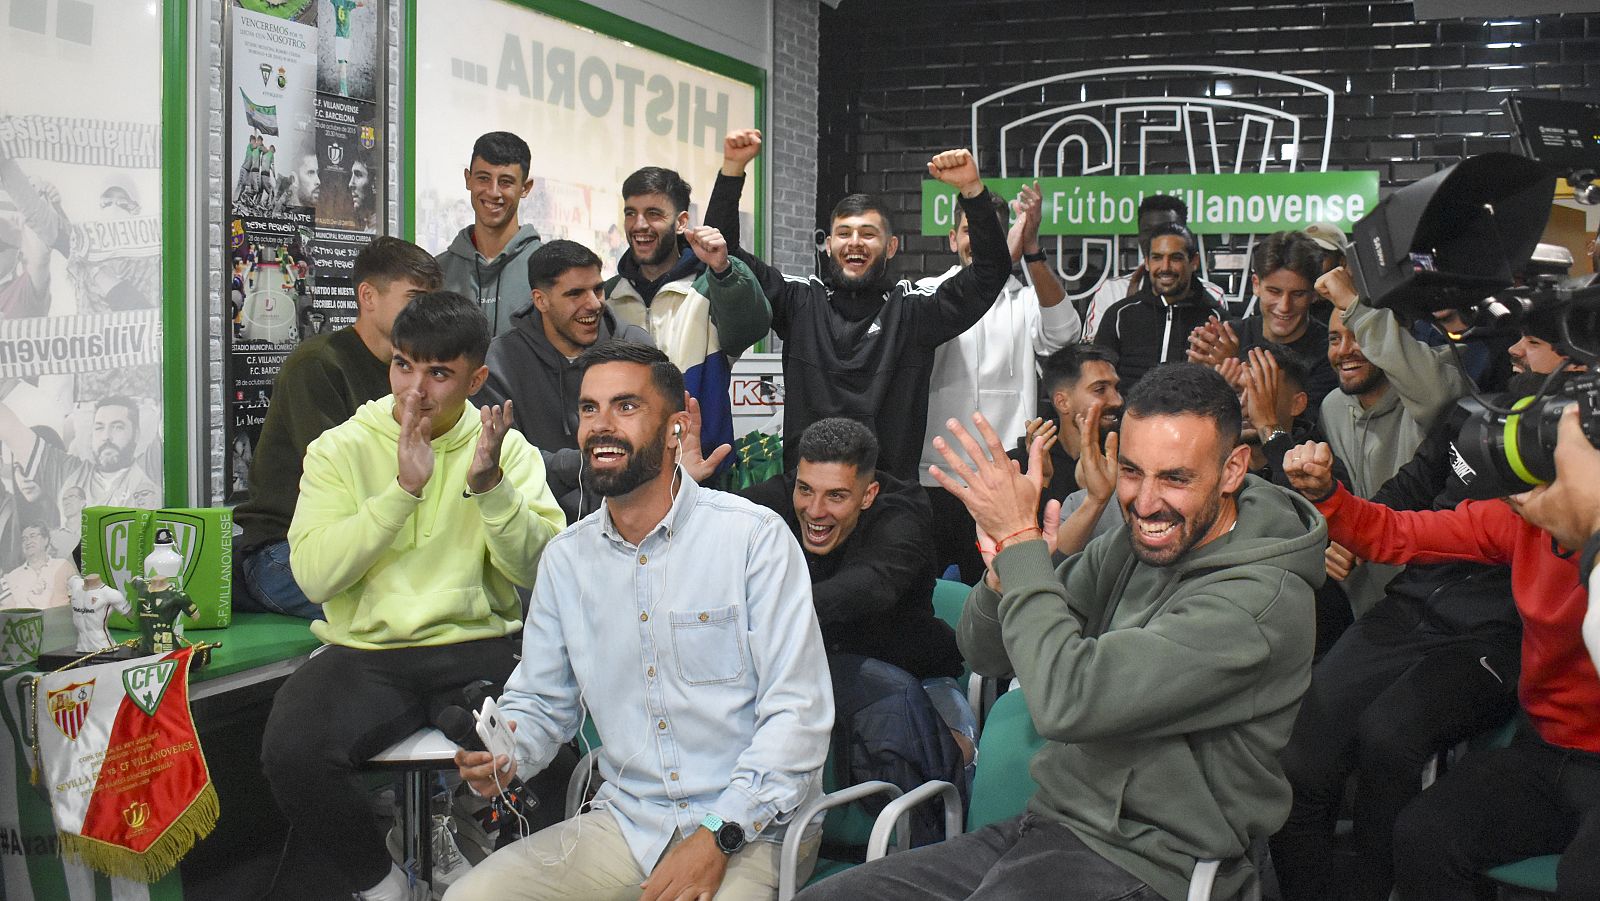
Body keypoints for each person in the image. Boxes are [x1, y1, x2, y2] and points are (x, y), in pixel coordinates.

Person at [799, 363, 1324, 901]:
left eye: (1175, 478)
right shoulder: (1142, 542)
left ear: (1233, 470)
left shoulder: (1259, 601)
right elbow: (986, 653)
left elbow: (1066, 702)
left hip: (1157, 861)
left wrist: (1022, 543)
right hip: (1051, 825)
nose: (1145, 502)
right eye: (1131, 471)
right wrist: (1004, 572)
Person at [444, 341, 832, 901]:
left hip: (754, 829)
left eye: (626, 406)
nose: (601, 425)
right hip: (631, 822)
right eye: (589, 408)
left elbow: (797, 716)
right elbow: (543, 703)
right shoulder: (566, 560)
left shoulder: (753, 540)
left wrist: (717, 835)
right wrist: (507, 755)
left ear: (676, 429)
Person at [260, 292, 566, 901]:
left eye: (439, 373)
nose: (415, 391)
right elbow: (315, 578)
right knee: (291, 752)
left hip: (481, 644)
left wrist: (492, 489)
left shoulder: (505, 447)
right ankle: (383, 886)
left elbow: (542, 570)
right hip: (367, 654)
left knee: (545, 753)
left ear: (476, 379)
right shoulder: (341, 447)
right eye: (404, 365)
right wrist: (402, 491)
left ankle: (504, 865)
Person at [1281, 410, 1599, 900]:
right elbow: (1398, 532)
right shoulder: (1522, 523)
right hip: (1545, 750)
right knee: (1425, 837)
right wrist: (1329, 498)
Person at [705, 132, 1012, 479]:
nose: (855, 242)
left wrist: (972, 191)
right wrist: (732, 169)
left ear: (891, 247)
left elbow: (990, 272)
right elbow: (720, 250)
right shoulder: (799, 300)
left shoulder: (913, 311)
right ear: (829, 245)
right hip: (807, 494)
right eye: (844, 233)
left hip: (888, 496)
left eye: (868, 233)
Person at [234, 237, 443, 619]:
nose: (427, 314)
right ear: (368, 296)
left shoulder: (415, 374)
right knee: (405, 609)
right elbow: (341, 479)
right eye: (414, 299)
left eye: (433, 301)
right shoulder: (317, 364)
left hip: (372, 539)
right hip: (284, 548)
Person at [917, 181, 1079, 583]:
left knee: (998, 591)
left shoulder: (1026, 301)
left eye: (990, 231)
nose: (979, 240)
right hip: (933, 479)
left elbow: (1065, 334)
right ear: (952, 238)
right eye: (970, 230)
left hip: (1003, 483)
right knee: (923, 594)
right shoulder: (927, 294)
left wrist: (1032, 249)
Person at [740, 417, 962, 682]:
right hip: (804, 677)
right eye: (805, 490)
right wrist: (692, 489)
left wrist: (777, 609)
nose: (815, 510)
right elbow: (717, 520)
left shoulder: (902, 512)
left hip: (909, 679)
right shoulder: (789, 491)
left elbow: (872, 583)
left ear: (869, 494)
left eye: (836, 495)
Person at [1305, 266, 1470, 618]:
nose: (1344, 351)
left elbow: (1437, 394)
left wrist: (1355, 306)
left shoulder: (1436, 385)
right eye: (1334, 339)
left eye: (1358, 335)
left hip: (1433, 595)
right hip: (1366, 601)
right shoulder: (1333, 407)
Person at [604, 162, 773, 470]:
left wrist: (723, 270)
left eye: (653, 213)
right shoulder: (608, 295)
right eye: (631, 213)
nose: (639, 224)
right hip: (626, 469)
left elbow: (753, 326)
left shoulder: (711, 285)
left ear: (681, 222)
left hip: (700, 470)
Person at [1187, 230, 1339, 417]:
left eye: (1298, 294)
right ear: (1256, 285)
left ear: (1314, 294)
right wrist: (1196, 376)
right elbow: (1192, 415)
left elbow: (1302, 423)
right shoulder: (1227, 338)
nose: (1284, 306)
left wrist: (1237, 370)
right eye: (1274, 292)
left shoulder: (1330, 350)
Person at [1093, 223, 1231, 389]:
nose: (1165, 267)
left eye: (1176, 258)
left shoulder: (1216, 320)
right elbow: (1098, 378)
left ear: (1194, 262)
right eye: (1157, 257)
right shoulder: (1119, 314)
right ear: (1147, 262)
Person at [437, 132, 543, 337]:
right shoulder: (438, 272)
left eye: (506, 182)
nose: (493, 192)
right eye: (483, 178)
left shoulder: (548, 271)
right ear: (468, 179)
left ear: (525, 188)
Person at [1080, 194, 1227, 339]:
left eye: (1166, 230)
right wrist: (1131, 312)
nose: (1156, 239)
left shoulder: (1212, 295)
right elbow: (1093, 350)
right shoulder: (1112, 291)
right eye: (1148, 231)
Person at [1, 523, 72, 609]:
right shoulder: (12, 577)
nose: (28, 542)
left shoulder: (62, 566)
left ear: (46, 540)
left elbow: (77, 598)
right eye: (24, 539)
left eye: (33, 536)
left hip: (56, 616)